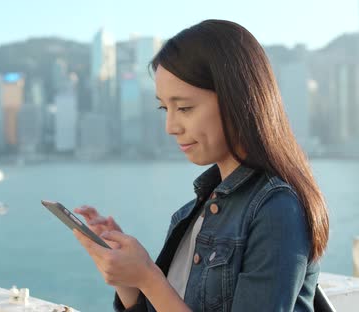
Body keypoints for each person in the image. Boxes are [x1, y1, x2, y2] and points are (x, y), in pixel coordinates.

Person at [72, 19, 329, 311]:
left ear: (237, 97)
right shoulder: (191, 213)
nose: (170, 126)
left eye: (184, 108)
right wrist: (128, 278)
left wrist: (148, 277)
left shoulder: (277, 210)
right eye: (164, 108)